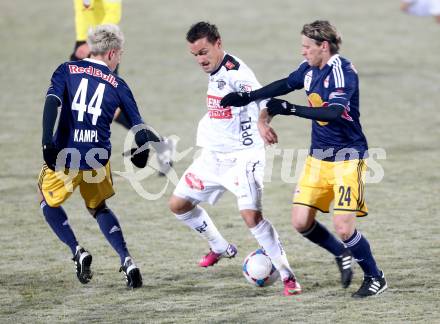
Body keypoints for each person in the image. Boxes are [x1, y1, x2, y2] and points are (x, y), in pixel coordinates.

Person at [220, 20, 388, 298]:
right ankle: (341, 253)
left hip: (348, 157)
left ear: (324, 46)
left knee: (344, 227)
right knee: (300, 221)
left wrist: (290, 110)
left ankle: (375, 277)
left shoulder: (343, 72)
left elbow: (333, 112)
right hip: (318, 157)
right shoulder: (310, 69)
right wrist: (247, 97)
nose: (303, 52)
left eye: (307, 47)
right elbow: (287, 84)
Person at [168, 22, 301, 297]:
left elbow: (263, 97)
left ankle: (287, 275)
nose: (201, 60)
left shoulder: (236, 72)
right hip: (213, 156)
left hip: (243, 156)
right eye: (195, 55)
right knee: (178, 205)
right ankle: (219, 247)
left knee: (251, 216)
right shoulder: (214, 70)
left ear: (218, 43)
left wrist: (264, 121)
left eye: (204, 52)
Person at [38, 24, 156, 289]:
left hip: (65, 157)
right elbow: (140, 129)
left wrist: (47, 140)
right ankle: (128, 261)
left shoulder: (66, 70)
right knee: (98, 207)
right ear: (112, 53)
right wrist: (142, 152)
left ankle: (77, 250)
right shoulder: (119, 84)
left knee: (46, 200)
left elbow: (52, 103)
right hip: (97, 159)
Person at [71, 0, 175, 175]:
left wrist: (93, 43)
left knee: (102, 106)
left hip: (101, 46)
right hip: (83, 44)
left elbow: (113, 13)